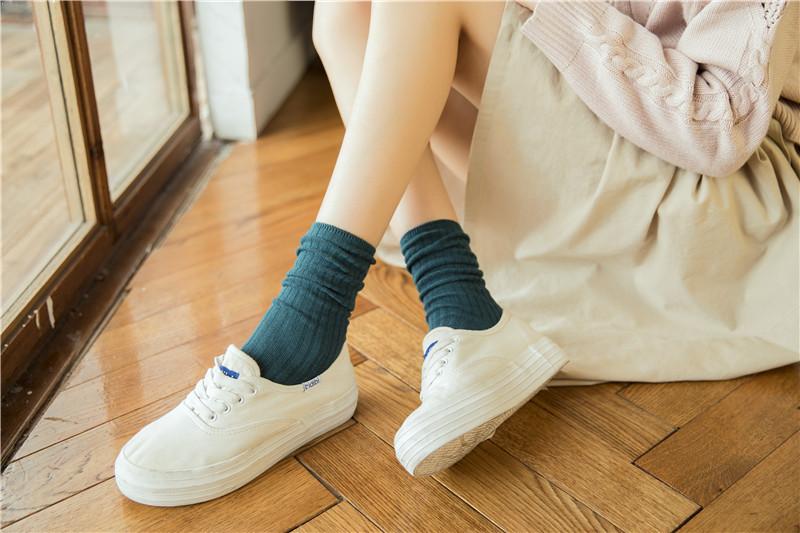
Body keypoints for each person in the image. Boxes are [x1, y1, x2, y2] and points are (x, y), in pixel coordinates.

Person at [114, 0, 799, 506]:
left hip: (722, 202)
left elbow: (720, 130)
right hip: (616, 146)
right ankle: (455, 304)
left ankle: (309, 326)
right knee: (345, 10)